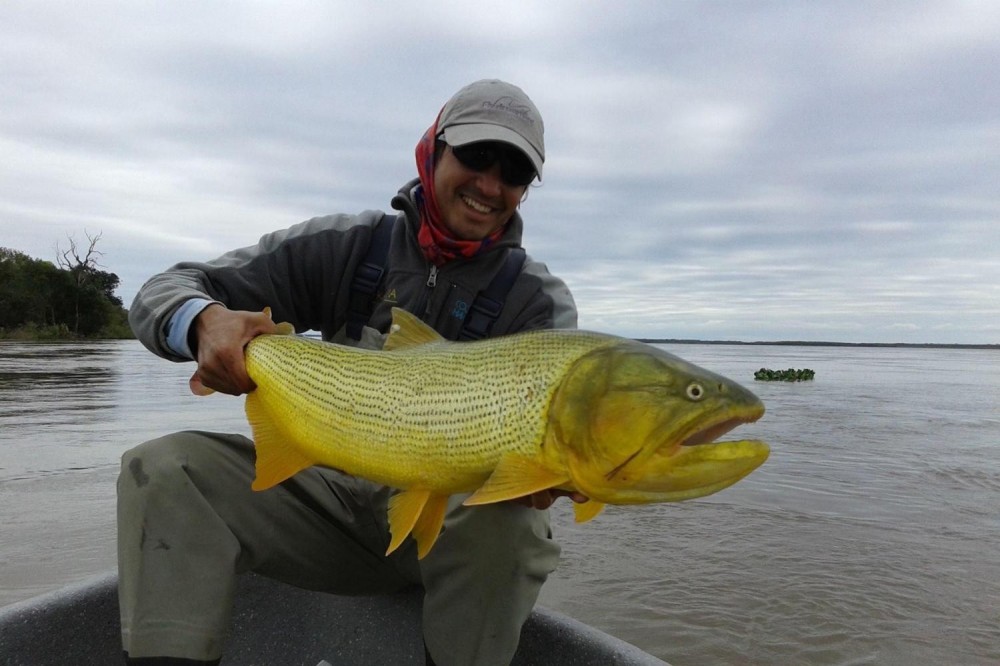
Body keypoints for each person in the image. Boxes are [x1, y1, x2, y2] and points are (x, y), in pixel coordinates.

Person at [119, 79, 580, 666]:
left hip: (438, 542)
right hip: (321, 509)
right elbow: (164, 289)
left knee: (513, 531)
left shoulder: (538, 305)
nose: (490, 185)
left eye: (513, 172)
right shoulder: (348, 246)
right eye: (476, 156)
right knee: (163, 470)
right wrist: (203, 321)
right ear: (433, 149)